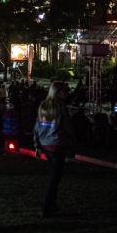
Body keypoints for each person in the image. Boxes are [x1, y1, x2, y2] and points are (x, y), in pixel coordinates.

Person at [33, 81, 75, 218]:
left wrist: (37, 145)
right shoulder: (61, 107)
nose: (67, 93)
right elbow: (68, 127)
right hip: (57, 144)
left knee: (53, 176)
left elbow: (37, 127)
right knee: (55, 179)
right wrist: (71, 144)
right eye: (64, 91)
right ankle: (46, 207)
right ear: (58, 92)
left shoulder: (43, 106)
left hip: (45, 145)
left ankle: (52, 205)